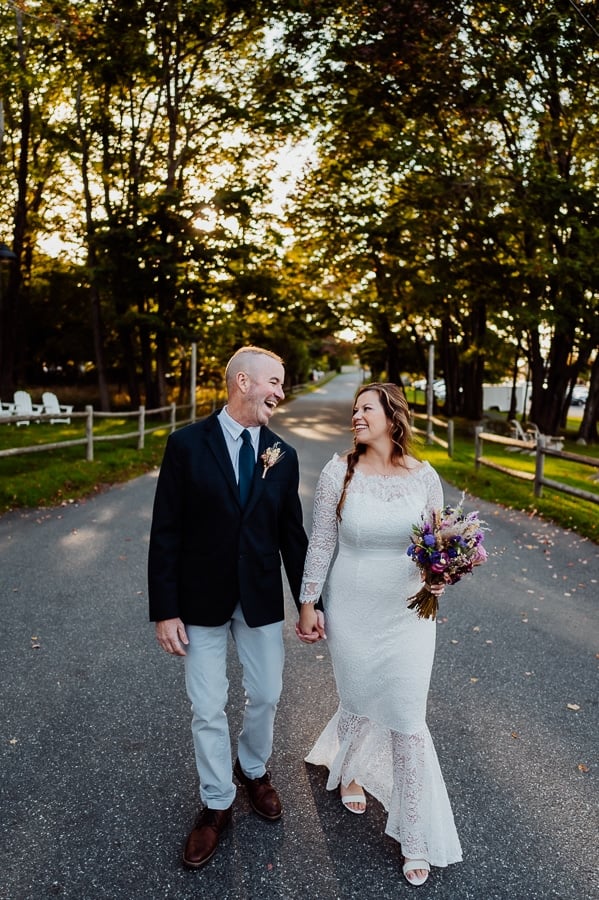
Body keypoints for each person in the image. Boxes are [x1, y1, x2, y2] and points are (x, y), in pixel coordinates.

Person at [148, 346, 324, 869]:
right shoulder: (185, 446)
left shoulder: (282, 456)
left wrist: (309, 603)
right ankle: (216, 802)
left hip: (260, 596)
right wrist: (165, 609)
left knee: (266, 694)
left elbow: (292, 537)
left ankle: (252, 767)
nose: (280, 393)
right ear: (242, 381)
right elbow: (166, 531)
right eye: (275, 382)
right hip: (198, 599)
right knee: (207, 707)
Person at [296, 382, 462, 887]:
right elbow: (322, 539)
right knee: (359, 695)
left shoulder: (425, 476)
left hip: (410, 613)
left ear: (393, 416)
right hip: (352, 605)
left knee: (408, 716)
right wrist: (308, 602)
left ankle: (415, 834)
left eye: (366, 408)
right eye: (354, 409)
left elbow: (440, 541)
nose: (356, 416)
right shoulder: (337, 472)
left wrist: (444, 572)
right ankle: (348, 769)